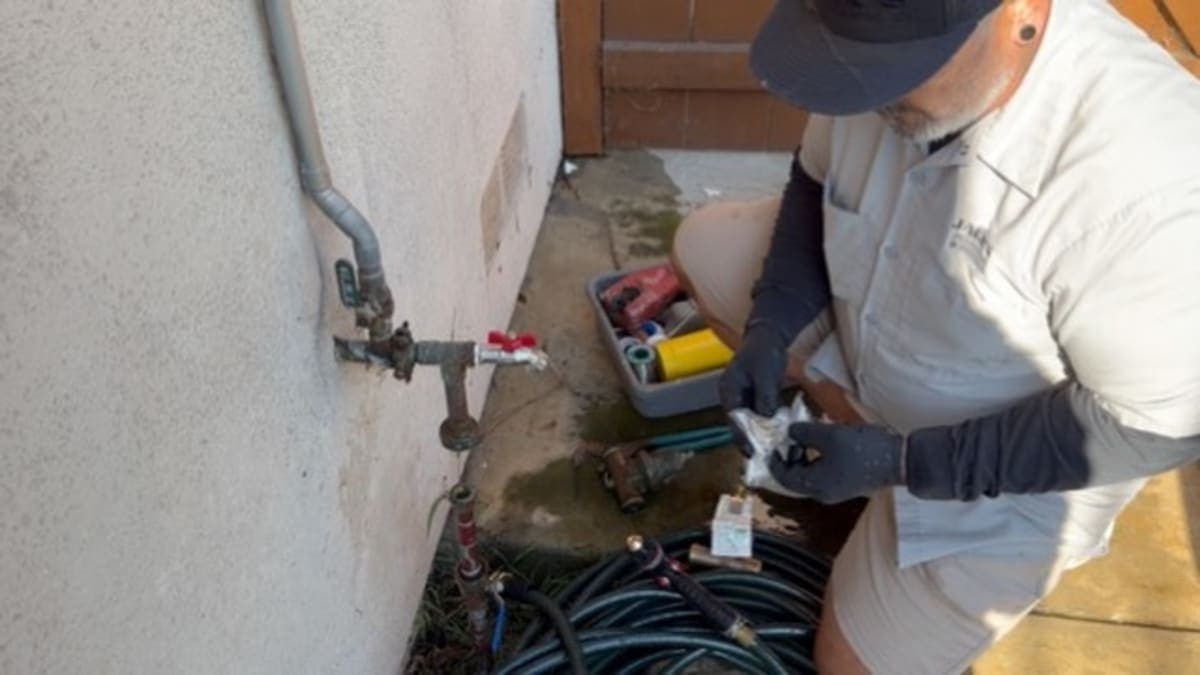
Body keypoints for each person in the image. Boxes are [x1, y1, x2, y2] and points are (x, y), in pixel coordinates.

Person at [670, 0, 1200, 672]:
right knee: (706, 248)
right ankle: (859, 458)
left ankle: (882, 483)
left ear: (1023, 14)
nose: (871, 91)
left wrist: (903, 464)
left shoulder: (1153, 186)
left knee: (849, 663)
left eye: (899, 66)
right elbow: (814, 180)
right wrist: (771, 323)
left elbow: (1152, 427)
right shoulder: (883, 55)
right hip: (886, 338)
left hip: (1013, 472)